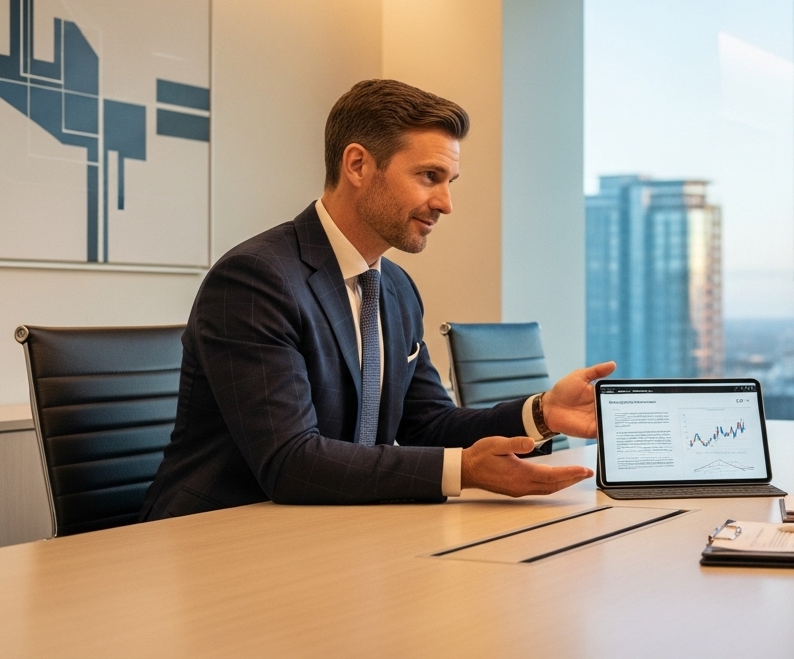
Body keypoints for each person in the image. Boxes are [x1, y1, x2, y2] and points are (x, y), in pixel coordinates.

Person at [141, 79, 611, 520]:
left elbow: (427, 423)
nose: (446, 203)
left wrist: (541, 413)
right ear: (359, 165)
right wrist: (461, 471)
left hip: (334, 530)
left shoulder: (396, 289)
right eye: (430, 176)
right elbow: (291, 461)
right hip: (218, 536)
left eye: (450, 181)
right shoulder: (256, 280)